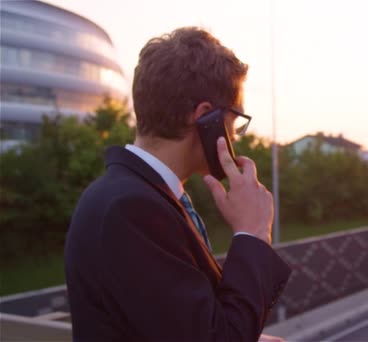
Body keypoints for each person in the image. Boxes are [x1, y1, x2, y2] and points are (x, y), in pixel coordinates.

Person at [64, 27, 292, 341]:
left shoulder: (137, 194)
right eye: (236, 120)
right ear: (204, 117)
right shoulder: (131, 210)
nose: (236, 136)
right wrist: (252, 232)